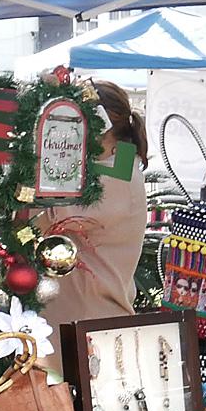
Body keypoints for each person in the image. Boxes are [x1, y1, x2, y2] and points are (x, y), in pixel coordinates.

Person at [40, 79, 149, 368]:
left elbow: (56, 216)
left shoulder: (119, 173)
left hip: (88, 323)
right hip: (82, 317)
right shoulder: (118, 160)